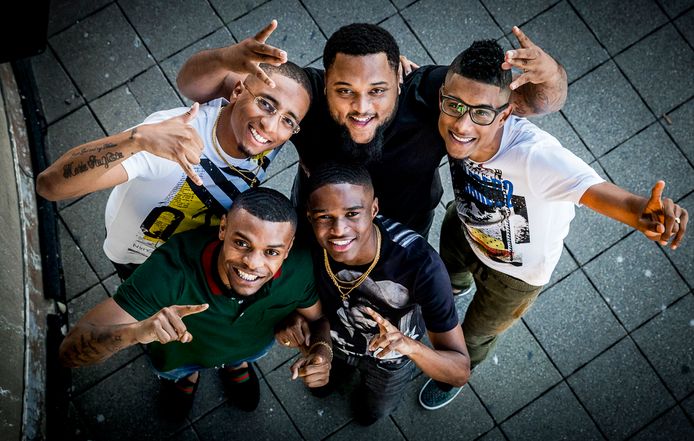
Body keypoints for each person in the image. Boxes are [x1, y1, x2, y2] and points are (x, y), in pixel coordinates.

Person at [417, 39, 690, 409]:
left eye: (481, 113)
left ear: (505, 115)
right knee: (448, 271)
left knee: (476, 335)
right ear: (443, 98)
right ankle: (456, 287)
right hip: (465, 226)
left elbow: (597, 192)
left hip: (515, 276)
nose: (462, 125)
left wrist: (642, 213)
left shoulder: (536, 157)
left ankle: (454, 372)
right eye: (454, 106)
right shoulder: (449, 106)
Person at [177, 21, 567, 237]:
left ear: (399, 78)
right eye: (345, 91)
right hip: (320, 218)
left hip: (405, 222)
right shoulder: (306, 95)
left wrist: (550, 75)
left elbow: (535, 102)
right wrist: (226, 58)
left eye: (377, 91)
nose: (362, 108)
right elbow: (194, 85)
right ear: (326, 83)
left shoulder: (432, 93)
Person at [58, 188, 331, 417]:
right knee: (179, 372)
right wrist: (136, 333)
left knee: (242, 358)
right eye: (241, 243)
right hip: (180, 357)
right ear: (223, 228)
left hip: (251, 347)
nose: (252, 263)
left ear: (288, 248)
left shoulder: (300, 265)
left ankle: (236, 365)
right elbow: (68, 353)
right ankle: (187, 377)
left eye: (271, 252)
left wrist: (322, 351)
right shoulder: (170, 272)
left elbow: (318, 319)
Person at [36, 62, 312, 280]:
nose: (270, 126)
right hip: (138, 258)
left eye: (288, 120)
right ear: (237, 92)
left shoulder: (270, 139)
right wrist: (136, 139)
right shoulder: (173, 138)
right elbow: (49, 186)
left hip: (190, 258)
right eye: (265, 104)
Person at [276, 163, 469, 425]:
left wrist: (409, 346)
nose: (339, 229)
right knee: (321, 383)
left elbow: (459, 371)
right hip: (333, 342)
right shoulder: (304, 244)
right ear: (309, 217)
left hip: (390, 361)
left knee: (372, 411)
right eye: (324, 217)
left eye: (352, 214)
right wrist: (293, 319)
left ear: (374, 209)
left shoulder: (420, 265)